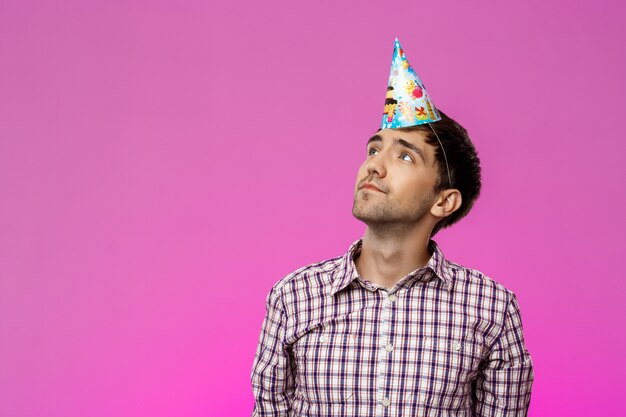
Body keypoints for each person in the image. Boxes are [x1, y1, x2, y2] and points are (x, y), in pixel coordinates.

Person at [250, 38, 534, 417]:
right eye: (373, 149)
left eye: (403, 155)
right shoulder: (293, 298)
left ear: (444, 201)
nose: (374, 166)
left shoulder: (492, 309)